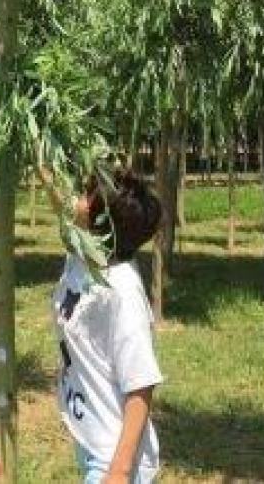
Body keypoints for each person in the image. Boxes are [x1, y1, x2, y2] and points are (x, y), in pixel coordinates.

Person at [51, 170, 164, 484]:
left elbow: (141, 386)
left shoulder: (122, 292)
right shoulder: (84, 256)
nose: (77, 200)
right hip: (92, 442)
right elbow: (60, 201)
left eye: (86, 196)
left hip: (112, 461)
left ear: (100, 223)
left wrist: (118, 472)